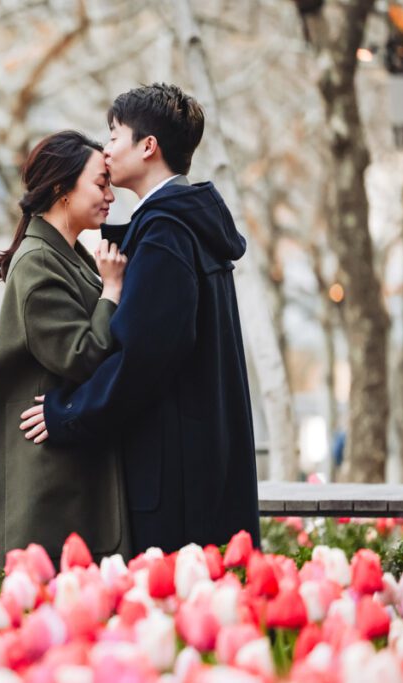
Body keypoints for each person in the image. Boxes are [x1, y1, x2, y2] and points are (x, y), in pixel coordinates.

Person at [20, 84, 260, 555]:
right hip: (200, 466)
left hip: (174, 484)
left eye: (114, 135)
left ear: (148, 146)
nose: (106, 151)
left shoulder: (167, 234)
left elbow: (141, 360)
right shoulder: (184, 224)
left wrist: (66, 413)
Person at [0, 130, 131, 568]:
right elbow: (81, 355)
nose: (110, 195)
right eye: (101, 183)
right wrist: (112, 291)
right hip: (46, 488)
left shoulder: (66, 254)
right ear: (63, 189)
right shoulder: (38, 260)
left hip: (65, 475)